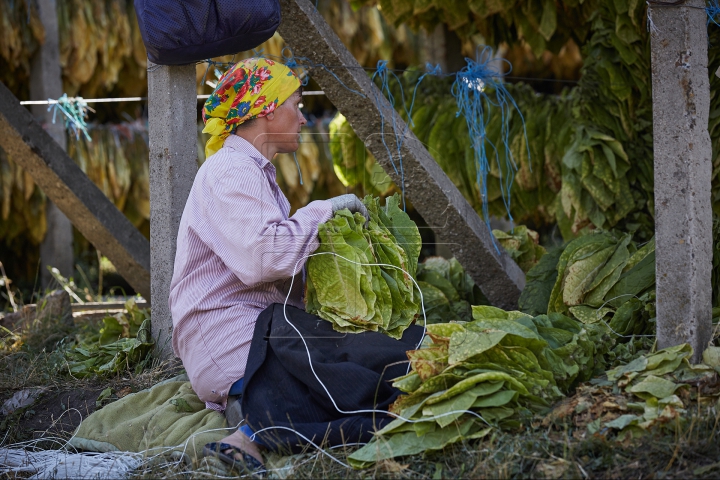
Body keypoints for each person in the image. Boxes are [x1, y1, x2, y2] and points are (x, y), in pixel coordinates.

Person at [169, 58, 420, 474]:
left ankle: (254, 427)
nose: (302, 118)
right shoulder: (230, 170)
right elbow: (264, 258)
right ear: (267, 109)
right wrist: (325, 210)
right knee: (364, 361)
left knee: (373, 350)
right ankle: (251, 431)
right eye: (296, 104)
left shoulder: (251, 172)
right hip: (235, 342)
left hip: (260, 332)